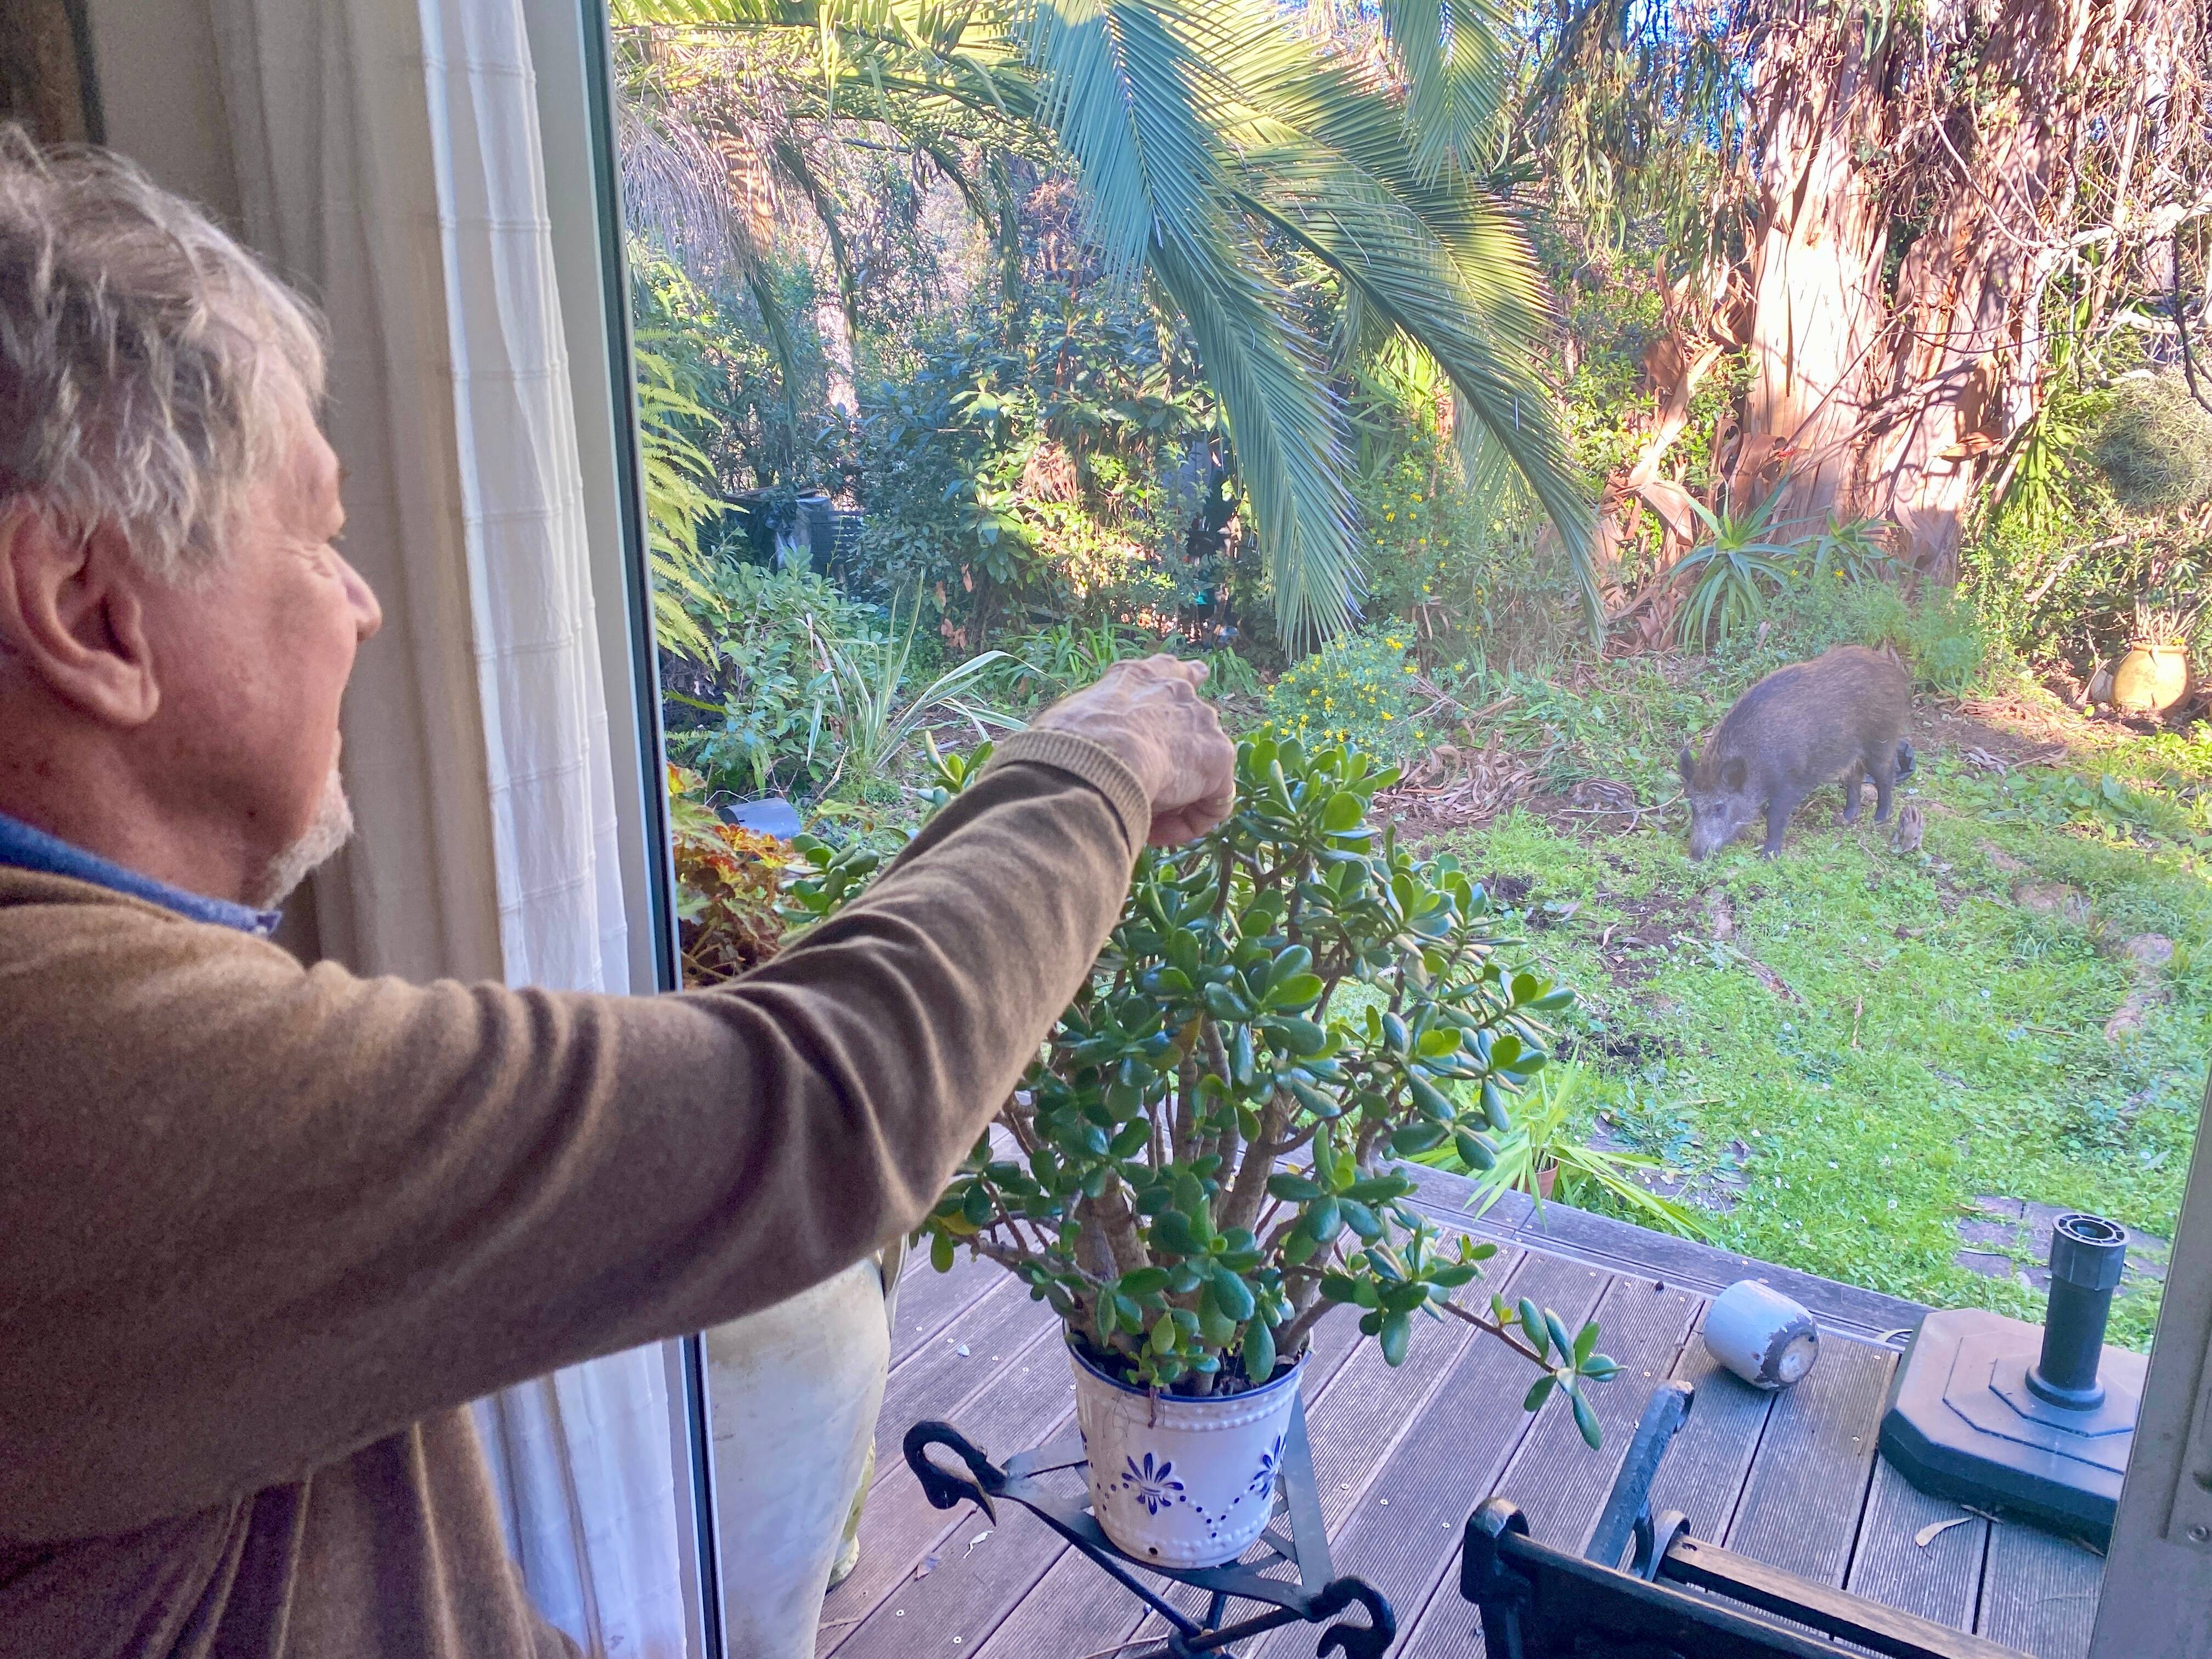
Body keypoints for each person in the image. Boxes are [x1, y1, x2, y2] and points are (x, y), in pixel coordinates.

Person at [0, 134, 1237, 1656]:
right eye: (317, 536)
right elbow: (815, 1106)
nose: (366, 604)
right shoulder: (65, 1081)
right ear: (87, 611)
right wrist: (1097, 763)